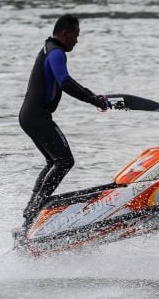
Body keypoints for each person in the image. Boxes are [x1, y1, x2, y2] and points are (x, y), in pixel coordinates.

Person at [18, 14, 109, 227]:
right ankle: (35, 206)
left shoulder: (49, 48)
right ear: (65, 34)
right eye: (75, 35)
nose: (77, 40)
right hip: (37, 117)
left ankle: (31, 208)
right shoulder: (57, 52)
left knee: (53, 161)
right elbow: (65, 82)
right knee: (65, 161)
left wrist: (93, 96)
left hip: (29, 116)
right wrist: (92, 99)